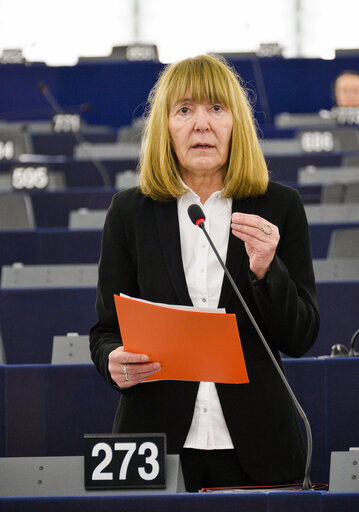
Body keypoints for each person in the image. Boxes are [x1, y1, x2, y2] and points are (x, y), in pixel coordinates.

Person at [89, 54, 319, 492]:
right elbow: (104, 330)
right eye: (184, 110)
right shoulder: (129, 212)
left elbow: (301, 337)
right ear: (166, 127)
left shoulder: (279, 207)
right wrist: (112, 361)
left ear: (236, 123)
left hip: (261, 444)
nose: (201, 124)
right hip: (155, 442)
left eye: (216, 108)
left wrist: (269, 271)